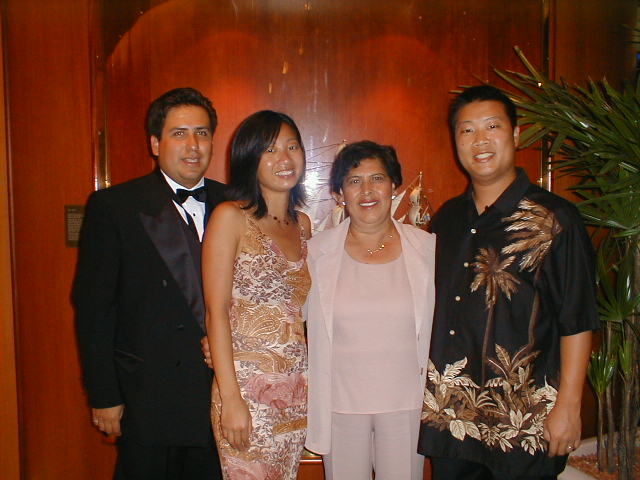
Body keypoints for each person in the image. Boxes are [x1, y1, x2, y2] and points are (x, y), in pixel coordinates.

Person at [418, 85, 599, 480]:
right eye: (467, 130)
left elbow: (577, 318)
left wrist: (569, 406)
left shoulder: (554, 219)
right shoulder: (446, 220)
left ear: (515, 135)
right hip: (453, 420)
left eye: (492, 126)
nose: (479, 140)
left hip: (524, 423)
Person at [73, 87, 225, 479]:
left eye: (202, 133)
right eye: (179, 133)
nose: (193, 145)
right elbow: (94, 310)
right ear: (155, 143)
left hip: (221, 396)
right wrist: (104, 395)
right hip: (149, 398)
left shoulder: (235, 203)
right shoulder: (115, 207)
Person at [305, 141, 436, 479]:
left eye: (377, 178)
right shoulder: (316, 253)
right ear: (339, 194)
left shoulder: (427, 248)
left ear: (394, 186)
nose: (367, 190)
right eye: (354, 181)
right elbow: (287, 317)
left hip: (407, 404)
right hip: (340, 405)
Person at [202, 110, 311, 480]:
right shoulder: (230, 217)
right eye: (270, 150)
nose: (284, 158)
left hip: (295, 390)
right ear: (250, 159)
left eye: (292, 146)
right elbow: (216, 311)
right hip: (247, 390)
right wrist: (231, 398)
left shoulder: (303, 225)